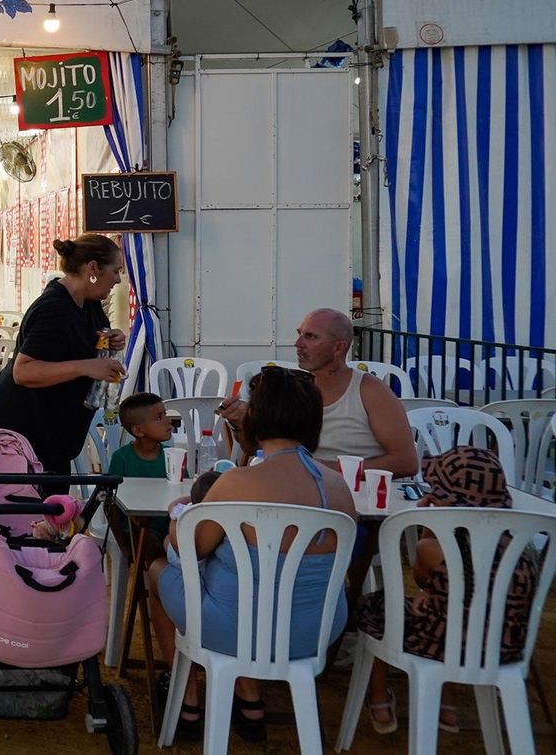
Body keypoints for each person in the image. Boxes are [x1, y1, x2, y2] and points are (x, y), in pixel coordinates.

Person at [146, 366, 357, 743]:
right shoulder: (338, 485)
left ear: (257, 416)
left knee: (160, 570)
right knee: (249, 586)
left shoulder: (238, 482)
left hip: (234, 628)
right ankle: (248, 697)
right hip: (314, 631)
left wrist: (181, 515)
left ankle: (189, 700)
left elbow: (189, 550)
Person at [358, 447, 539, 736]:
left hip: (445, 641)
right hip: (502, 648)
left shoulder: (432, 549)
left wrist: (431, 526)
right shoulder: (520, 551)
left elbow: (421, 580)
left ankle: (379, 699)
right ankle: (448, 705)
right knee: (457, 613)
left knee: (382, 606)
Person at [0, 235, 127, 475]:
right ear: (93, 268)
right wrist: (86, 367)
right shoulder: (53, 309)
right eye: (116, 271)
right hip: (27, 420)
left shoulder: (89, 301)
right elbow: (23, 371)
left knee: (55, 502)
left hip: (55, 422)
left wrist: (111, 339)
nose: (118, 279)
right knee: (33, 505)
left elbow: (85, 339)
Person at [216, 308, 416, 477]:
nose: (298, 344)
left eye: (310, 336)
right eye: (299, 334)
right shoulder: (294, 387)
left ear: (338, 348)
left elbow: (406, 463)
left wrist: (323, 469)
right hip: (297, 492)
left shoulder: (371, 391)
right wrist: (241, 423)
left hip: (355, 502)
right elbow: (255, 449)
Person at [107, 392, 174, 541]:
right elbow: (110, 504)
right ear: (138, 430)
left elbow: (184, 494)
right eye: (159, 417)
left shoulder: (172, 456)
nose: (168, 421)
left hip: (171, 528)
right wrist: (123, 544)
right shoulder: (122, 458)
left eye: (165, 414)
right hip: (135, 531)